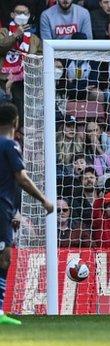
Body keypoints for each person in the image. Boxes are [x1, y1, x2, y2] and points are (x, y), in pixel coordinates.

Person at [0, 102, 53, 325]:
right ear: (16, 121)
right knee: (4, 257)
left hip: (6, 207)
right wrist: (44, 200)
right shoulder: (10, 145)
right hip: (1, 207)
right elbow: (21, 178)